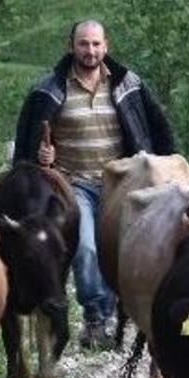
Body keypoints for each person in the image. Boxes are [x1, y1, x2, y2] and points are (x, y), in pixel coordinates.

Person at [13, 20, 175, 350]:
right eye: (83, 44)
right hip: (74, 184)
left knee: (125, 251)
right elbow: (26, 143)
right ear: (70, 45)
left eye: (96, 44)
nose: (90, 51)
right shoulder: (49, 90)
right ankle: (96, 318)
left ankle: (124, 312)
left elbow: (158, 128)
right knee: (86, 249)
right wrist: (41, 155)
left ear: (106, 46)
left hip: (123, 182)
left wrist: (166, 169)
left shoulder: (128, 84)